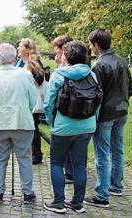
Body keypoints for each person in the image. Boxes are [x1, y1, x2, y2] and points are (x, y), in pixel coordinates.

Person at [43, 40, 99, 214]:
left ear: (66, 56)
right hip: (87, 126)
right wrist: (93, 121)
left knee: (57, 163)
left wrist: (50, 121)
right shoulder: (92, 75)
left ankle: (59, 202)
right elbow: (97, 101)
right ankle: (77, 203)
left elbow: (49, 103)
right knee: (80, 164)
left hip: (63, 126)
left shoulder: (59, 75)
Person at [84, 29, 132, 208]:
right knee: (117, 150)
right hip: (122, 112)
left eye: (90, 43)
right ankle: (116, 186)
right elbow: (131, 88)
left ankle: (102, 195)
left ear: (96, 44)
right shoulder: (121, 61)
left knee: (102, 154)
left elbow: (94, 93)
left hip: (105, 115)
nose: (90, 47)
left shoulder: (98, 65)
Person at [0, 43, 37, 205]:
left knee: (0, 159)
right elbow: (32, 100)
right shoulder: (25, 74)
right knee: (25, 158)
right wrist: (24, 110)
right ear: (14, 57)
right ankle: (28, 193)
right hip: (21, 121)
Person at [15, 38, 45, 164]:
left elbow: (40, 80)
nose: (18, 48)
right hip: (22, 98)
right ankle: (29, 152)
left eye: (21, 46)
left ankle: (36, 155)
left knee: (33, 126)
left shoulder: (34, 62)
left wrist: (27, 76)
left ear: (27, 49)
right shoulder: (20, 62)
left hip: (32, 98)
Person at [52, 34, 74, 184]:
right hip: (81, 116)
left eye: (56, 50)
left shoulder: (63, 70)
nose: (55, 53)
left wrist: (49, 117)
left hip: (64, 112)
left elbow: (51, 96)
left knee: (64, 149)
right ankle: (73, 171)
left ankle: (69, 173)